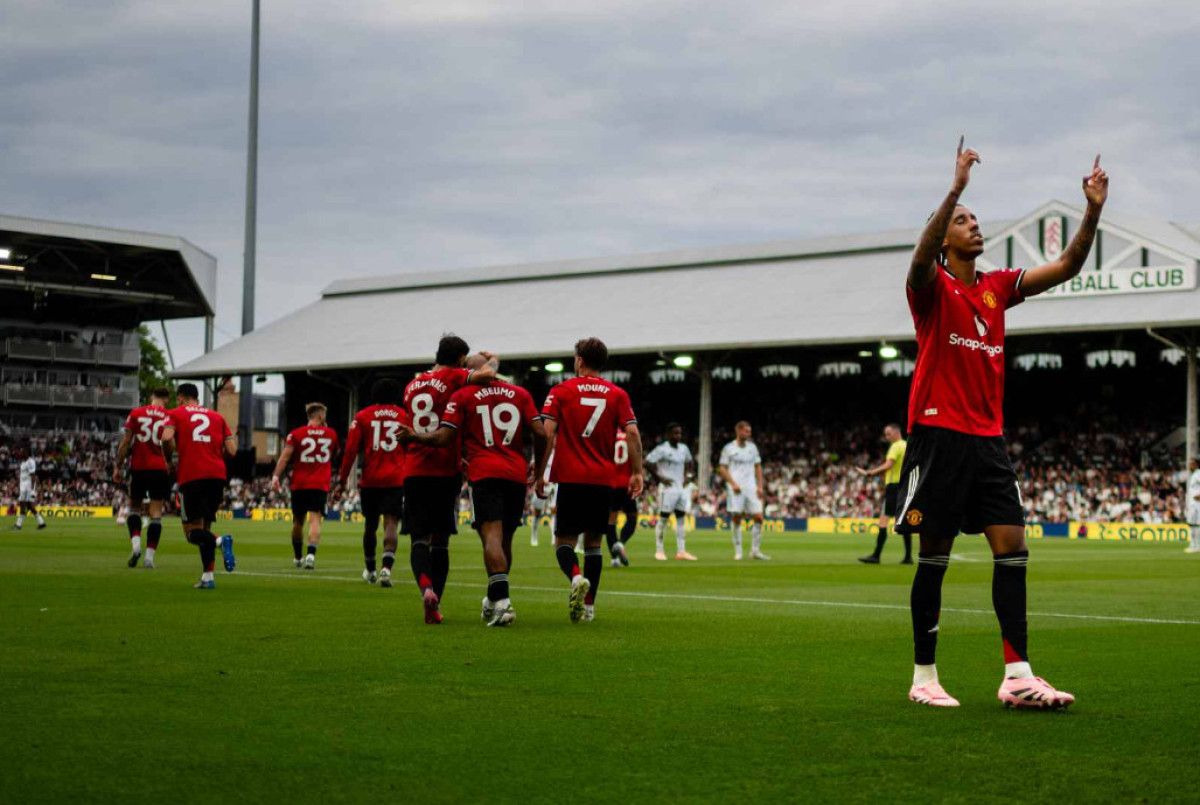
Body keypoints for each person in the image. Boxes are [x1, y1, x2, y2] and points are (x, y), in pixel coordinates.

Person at [898, 137, 1107, 709]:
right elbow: (918, 261)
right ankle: (924, 678)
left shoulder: (995, 289)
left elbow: (1066, 266)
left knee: (1013, 548)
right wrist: (955, 188)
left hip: (988, 441)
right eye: (962, 221)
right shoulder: (931, 289)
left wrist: (1091, 210)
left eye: (974, 218)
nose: (974, 225)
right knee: (934, 557)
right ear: (943, 237)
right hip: (938, 435)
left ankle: (1017, 676)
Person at [402, 376, 546, 626]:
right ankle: (493, 600)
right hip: (515, 474)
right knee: (505, 540)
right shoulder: (520, 393)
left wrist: (416, 437)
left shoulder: (464, 395)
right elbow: (541, 432)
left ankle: (502, 603)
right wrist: (540, 466)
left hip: (485, 472)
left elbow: (445, 437)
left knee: (491, 536)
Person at [535, 337, 643, 622]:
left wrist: (539, 473)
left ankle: (574, 577)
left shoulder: (561, 391)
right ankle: (590, 607)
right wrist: (637, 471)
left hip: (570, 478)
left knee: (564, 543)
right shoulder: (617, 394)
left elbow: (548, 434)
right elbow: (632, 433)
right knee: (594, 544)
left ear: (579, 360)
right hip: (602, 479)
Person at [402, 335, 499, 621]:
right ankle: (437, 604)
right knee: (441, 540)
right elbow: (488, 375)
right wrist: (492, 359)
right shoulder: (457, 376)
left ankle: (426, 589)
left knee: (418, 539)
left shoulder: (412, 385)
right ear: (460, 359)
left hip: (414, 469)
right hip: (445, 470)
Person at [161, 383, 237, 589]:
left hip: (192, 475)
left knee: (192, 533)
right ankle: (208, 577)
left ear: (183, 398)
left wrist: (168, 458)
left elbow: (166, 438)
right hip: (217, 476)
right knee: (205, 528)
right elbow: (232, 449)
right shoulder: (218, 417)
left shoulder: (175, 413)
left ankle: (221, 541)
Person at [338, 379, 410, 586]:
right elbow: (411, 446)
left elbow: (350, 451)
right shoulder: (404, 416)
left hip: (371, 479)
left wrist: (342, 482)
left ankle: (370, 570)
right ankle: (386, 569)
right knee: (391, 523)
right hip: (396, 478)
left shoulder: (362, 416)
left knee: (370, 525)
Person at [272, 402, 339, 570]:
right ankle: (310, 555)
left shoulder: (296, 434)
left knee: (298, 522)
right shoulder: (331, 434)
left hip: (299, 483)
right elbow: (335, 453)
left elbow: (285, 458)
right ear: (320, 416)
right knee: (315, 520)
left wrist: (275, 476)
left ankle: (297, 557)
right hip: (320, 484)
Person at [113, 387, 172, 567]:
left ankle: (136, 546)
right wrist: (167, 460)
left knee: (134, 509)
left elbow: (125, 442)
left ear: (151, 397)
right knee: (155, 514)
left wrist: (118, 466)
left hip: (138, 467)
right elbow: (170, 442)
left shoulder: (136, 413)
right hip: (158, 468)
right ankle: (149, 558)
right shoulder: (168, 416)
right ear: (167, 400)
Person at [856, 423, 910, 565]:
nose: (887, 437)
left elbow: (889, 465)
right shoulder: (907, 445)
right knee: (903, 521)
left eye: (888, 433)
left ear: (896, 432)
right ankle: (908, 557)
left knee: (883, 521)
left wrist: (869, 473)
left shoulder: (896, 446)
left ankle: (876, 555)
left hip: (894, 487)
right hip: (904, 486)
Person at [646, 423, 696, 560]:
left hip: (680, 488)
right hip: (667, 489)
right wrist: (660, 478)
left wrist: (689, 477)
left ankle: (681, 551)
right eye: (675, 433)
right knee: (663, 519)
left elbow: (690, 463)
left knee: (681, 519)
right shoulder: (662, 449)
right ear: (668, 434)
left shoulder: (684, 449)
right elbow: (647, 462)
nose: (678, 436)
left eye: (679, 433)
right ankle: (659, 551)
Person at [718, 421, 767, 560]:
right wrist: (732, 483)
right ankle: (738, 551)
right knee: (737, 517)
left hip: (751, 487)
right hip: (736, 488)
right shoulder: (729, 448)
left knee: (759, 517)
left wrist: (760, 486)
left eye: (749, 431)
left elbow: (758, 466)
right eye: (746, 431)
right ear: (738, 431)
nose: (748, 434)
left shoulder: (752, 447)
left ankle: (755, 551)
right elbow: (722, 468)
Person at [606, 430, 639, 568]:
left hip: (610, 483)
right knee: (632, 516)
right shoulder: (630, 434)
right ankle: (621, 543)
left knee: (611, 521)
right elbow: (636, 456)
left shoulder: (608, 434)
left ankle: (614, 559)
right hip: (626, 483)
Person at [12, 449, 47, 531]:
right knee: (29, 506)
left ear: (26, 453)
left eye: (22, 452)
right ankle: (41, 523)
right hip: (23, 486)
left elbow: (33, 476)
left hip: (28, 487)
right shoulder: (23, 462)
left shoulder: (30, 462)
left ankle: (18, 525)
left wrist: (32, 490)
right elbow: (23, 475)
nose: (20, 453)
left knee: (23, 505)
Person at [528, 462, 556, 547]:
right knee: (537, 513)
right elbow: (533, 466)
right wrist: (540, 479)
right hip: (542, 485)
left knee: (554, 512)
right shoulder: (543, 451)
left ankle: (554, 538)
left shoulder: (560, 451)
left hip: (554, 485)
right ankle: (534, 536)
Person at [1185, 457, 1200, 554]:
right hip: (1192, 503)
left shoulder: (1198, 473)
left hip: (1197, 503)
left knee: (1196, 524)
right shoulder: (1193, 474)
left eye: (1191, 463)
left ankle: (1196, 545)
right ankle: (1193, 545)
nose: (1189, 465)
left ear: (1196, 464)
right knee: (1192, 524)